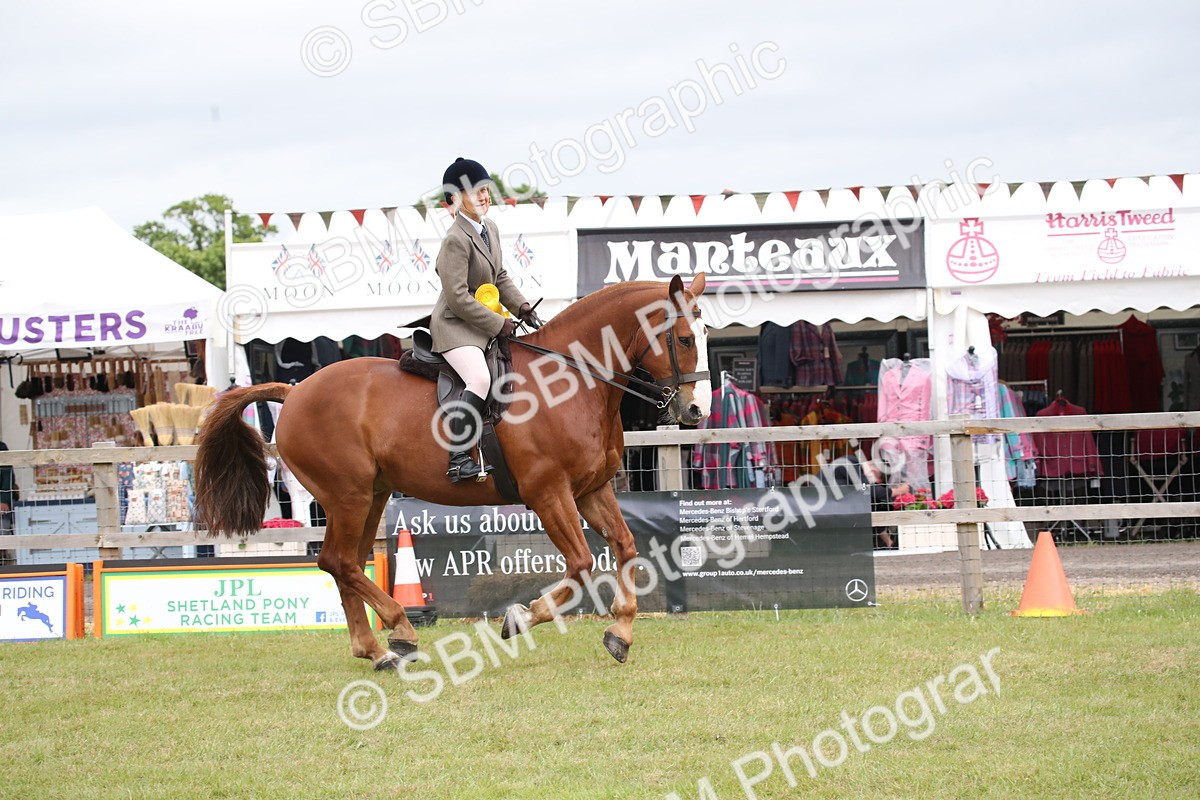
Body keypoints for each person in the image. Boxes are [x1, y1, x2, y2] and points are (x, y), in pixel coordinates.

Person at [431, 157, 543, 482]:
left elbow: (500, 277)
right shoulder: (455, 239)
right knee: (479, 379)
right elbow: (457, 296)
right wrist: (498, 324)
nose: (484, 196)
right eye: (475, 191)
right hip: (454, 326)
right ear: (455, 199)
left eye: (486, 190)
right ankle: (457, 459)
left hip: (480, 325)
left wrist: (521, 307)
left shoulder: (489, 228)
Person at [822, 452, 909, 549]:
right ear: (873, 472)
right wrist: (897, 491)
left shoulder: (854, 469)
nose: (873, 483)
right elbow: (868, 489)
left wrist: (888, 541)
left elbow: (870, 500)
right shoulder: (851, 463)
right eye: (875, 482)